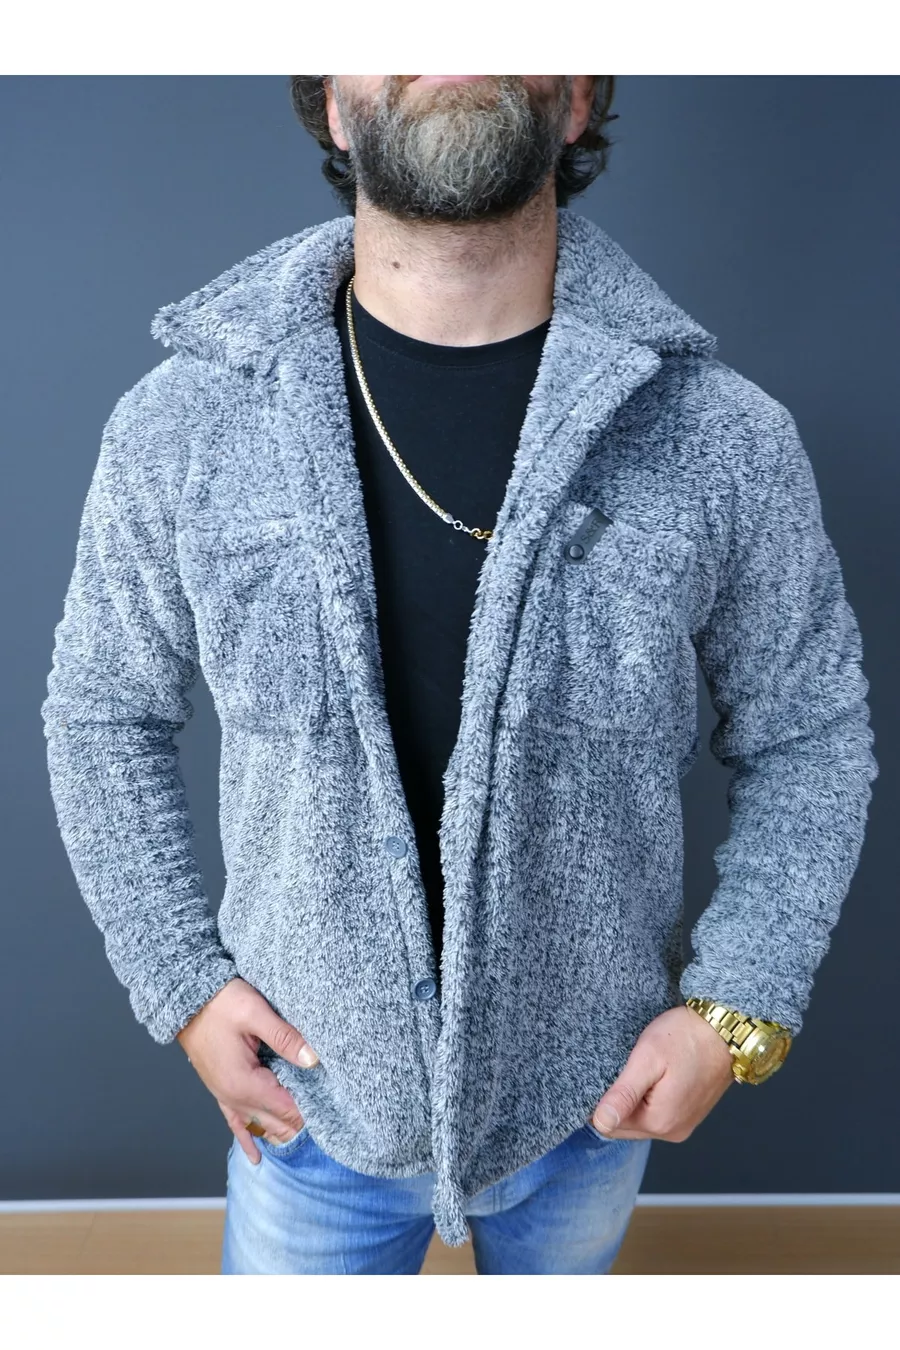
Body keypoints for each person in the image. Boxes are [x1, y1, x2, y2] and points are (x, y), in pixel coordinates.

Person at [41, 75, 878, 1276]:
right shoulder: (183, 422)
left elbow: (810, 732)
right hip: (308, 1096)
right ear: (335, 107)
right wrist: (178, 978)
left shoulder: (722, 437)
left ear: (577, 100)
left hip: (592, 1101)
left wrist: (736, 1007)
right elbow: (101, 712)